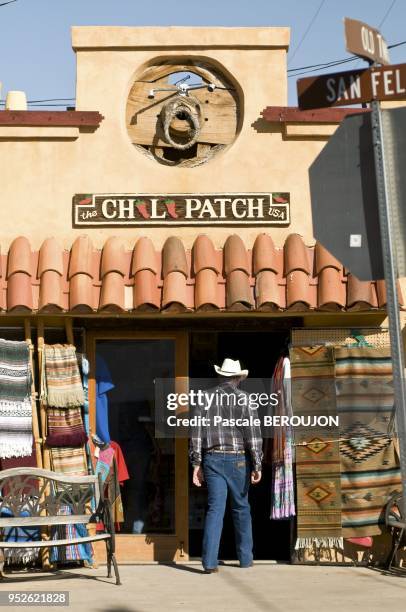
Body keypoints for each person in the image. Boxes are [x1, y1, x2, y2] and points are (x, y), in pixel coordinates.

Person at [190, 358, 263, 573]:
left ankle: (209, 563)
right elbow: (254, 435)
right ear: (239, 378)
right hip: (239, 459)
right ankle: (246, 559)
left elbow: (196, 434)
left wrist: (196, 463)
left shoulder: (204, 398)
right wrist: (257, 464)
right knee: (241, 508)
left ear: (220, 376)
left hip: (212, 459)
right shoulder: (246, 400)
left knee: (215, 510)